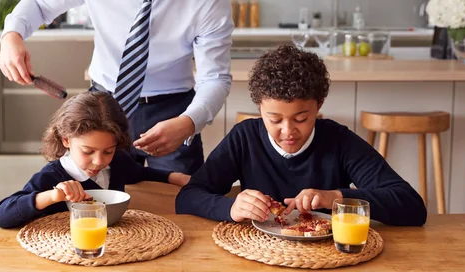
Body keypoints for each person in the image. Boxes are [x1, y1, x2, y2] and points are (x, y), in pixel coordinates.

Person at [0, 0, 233, 175]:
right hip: (104, 104)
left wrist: (190, 122)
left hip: (174, 109)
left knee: (180, 199)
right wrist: (12, 34)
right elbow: (39, 3)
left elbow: (215, 78)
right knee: (100, 192)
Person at [175, 45, 427, 227]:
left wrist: (337, 197)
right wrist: (231, 207)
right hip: (258, 253)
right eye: (274, 120)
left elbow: (411, 207)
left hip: (328, 258)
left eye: (300, 119)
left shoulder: (339, 141)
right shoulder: (245, 138)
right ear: (259, 108)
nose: (287, 131)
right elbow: (187, 198)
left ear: (319, 105)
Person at [0, 91, 190, 229]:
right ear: (66, 140)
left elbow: (140, 173)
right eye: (88, 152)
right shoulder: (51, 177)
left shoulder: (118, 162)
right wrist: (52, 197)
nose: (98, 161)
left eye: (108, 151)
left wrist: (175, 177)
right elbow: (0, 216)